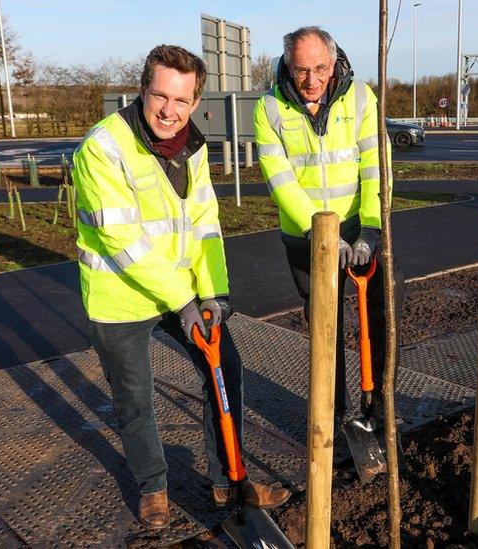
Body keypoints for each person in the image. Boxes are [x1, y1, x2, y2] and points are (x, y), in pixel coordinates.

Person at [73, 44, 289, 529]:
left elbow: (205, 223)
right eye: (160, 97)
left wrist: (214, 294)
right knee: (135, 398)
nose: (169, 111)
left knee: (224, 371)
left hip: (186, 293)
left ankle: (228, 479)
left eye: (182, 101)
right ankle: (153, 487)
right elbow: (121, 240)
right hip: (120, 297)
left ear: (196, 102)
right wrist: (185, 299)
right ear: (142, 90)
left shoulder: (194, 146)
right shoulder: (103, 148)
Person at [253, 27, 404, 423]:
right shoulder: (269, 108)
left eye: (320, 68)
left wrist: (372, 229)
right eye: (302, 70)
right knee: (324, 329)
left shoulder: (360, 99)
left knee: (383, 313)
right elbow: (279, 179)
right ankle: (333, 415)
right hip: (307, 240)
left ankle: (382, 406)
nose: (312, 80)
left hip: (361, 228)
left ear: (334, 62)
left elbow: (376, 167)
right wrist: (321, 236)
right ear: (288, 65)